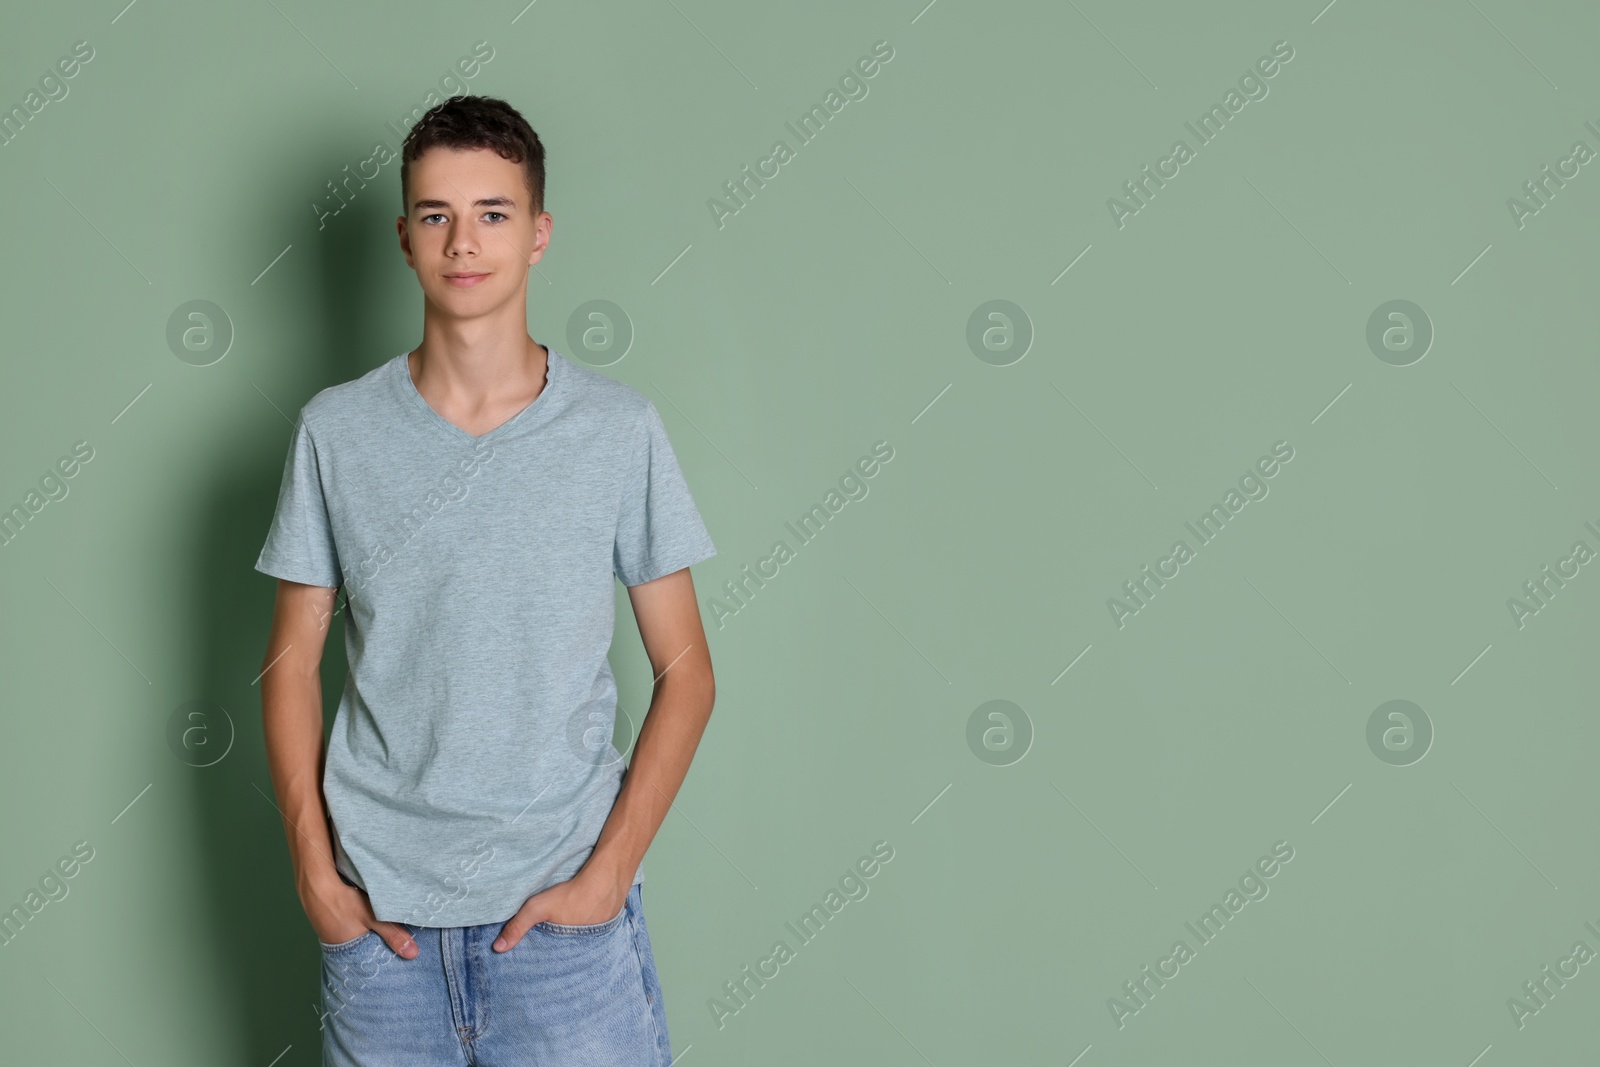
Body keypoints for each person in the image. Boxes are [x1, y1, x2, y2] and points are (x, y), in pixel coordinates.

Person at [254, 95, 716, 1065]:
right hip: (382, 936)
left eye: (493, 213)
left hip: (565, 938)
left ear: (538, 233)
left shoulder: (616, 429)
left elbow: (687, 671)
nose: (464, 241)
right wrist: (314, 875)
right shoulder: (335, 433)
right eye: (437, 215)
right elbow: (290, 665)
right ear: (404, 236)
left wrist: (608, 874)